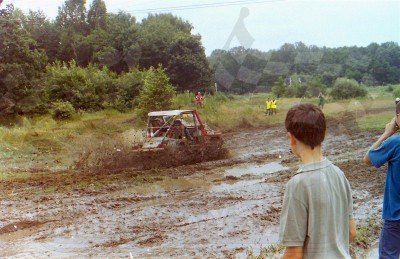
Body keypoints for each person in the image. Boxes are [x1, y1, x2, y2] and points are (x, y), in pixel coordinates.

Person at [280, 103, 356, 258]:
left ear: (291, 138)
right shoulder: (339, 174)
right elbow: (352, 232)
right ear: (324, 134)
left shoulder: (297, 185)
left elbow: (294, 254)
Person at [363, 100, 400, 259]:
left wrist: (386, 133)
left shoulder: (395, 142)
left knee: (388, 255)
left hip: (396, 216)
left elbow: (368, 158)